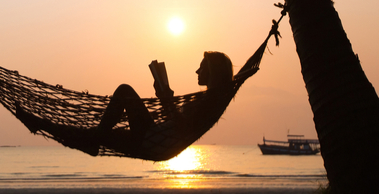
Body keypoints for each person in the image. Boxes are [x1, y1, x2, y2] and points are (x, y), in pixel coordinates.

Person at [15, 51, 234, 160]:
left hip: (154, 140)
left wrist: (167, 100)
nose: (197, 71)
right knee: (93, 135)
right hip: (155, 141)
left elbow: (182, 128)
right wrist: (165, 99)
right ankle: (38, 123)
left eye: (202, 67)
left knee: (124, 91)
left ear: (213, 72)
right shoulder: (209, 100)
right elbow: (180, 126)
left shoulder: (207, 103)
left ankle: (49, 126)